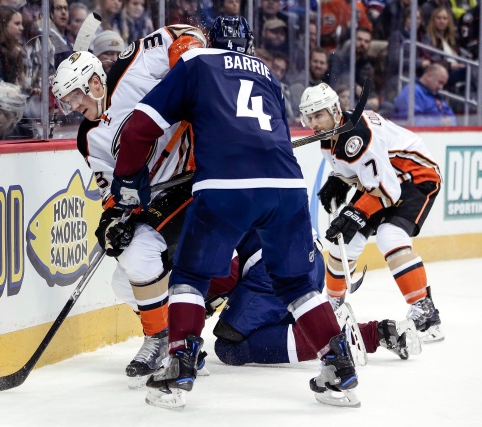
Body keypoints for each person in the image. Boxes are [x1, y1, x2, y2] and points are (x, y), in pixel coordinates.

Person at [111, 16, 360, 410]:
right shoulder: (268, 75)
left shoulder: (196, 63)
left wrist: (126, 180)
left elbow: (140, 127)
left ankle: (180, 367)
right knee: (298, 285)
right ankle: (339, 364)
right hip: (288, 188)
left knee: (191, 275)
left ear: (209, 39)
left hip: (226, 187)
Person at [50, 24, 206, 389]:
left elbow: (178, 33)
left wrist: (188, 60)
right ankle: (181, 340)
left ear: (94, 82)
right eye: (65, 102)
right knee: (124, 281)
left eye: (74, 95)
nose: (73, 106)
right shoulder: (88, 138)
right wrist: (112, 217)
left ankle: (161, 339)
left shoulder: (128, 68)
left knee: (138, 257)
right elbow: (113, 190)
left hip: (192, 179)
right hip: (158, 197)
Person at [299, 82, 444, 345]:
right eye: (308, 117)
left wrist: (356, 212)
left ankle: (425, 311)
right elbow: (364, 175)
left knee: (391, 235)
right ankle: (333, 307)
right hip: (384, 180)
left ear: (334, 110)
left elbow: (389, 192)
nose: (313, 123)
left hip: (415, 176)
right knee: (346, 241)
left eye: (318, 115)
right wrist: (339, 180)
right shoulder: (331, 136)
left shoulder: (356, 137)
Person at [210, 229, 421, 367]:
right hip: (312, 261)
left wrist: (196, 304)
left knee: (228, 346)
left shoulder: (212, 196)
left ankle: (338, 340)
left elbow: (228, 274)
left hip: (271, 270)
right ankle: (377, 334)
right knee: (291, 327)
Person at [393, 62, 457, 126]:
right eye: (440, 82)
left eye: (443, 84)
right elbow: (412, 121)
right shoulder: (411, 91)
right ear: (429, 76)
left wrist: (448, 122)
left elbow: (452, 117)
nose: (441, 87)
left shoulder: (435, 94)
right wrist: (439, 122)